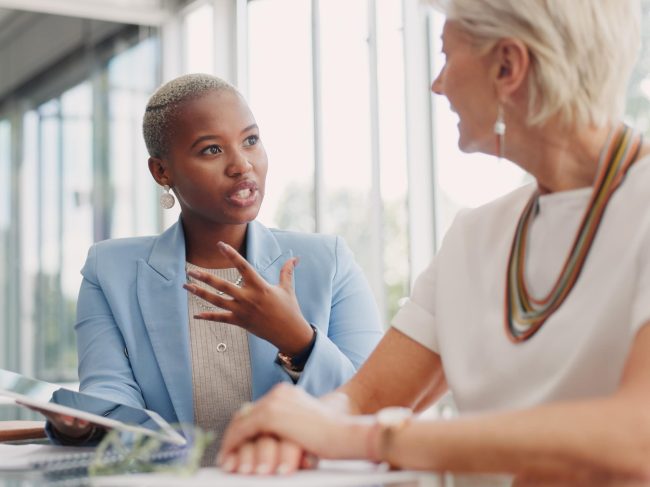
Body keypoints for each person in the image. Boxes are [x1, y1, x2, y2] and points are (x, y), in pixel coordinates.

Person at [215, 0, 650, 482]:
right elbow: (365, 399)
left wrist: (364, 438)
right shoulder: (476, 234)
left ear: (508, 66)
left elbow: (638, 434)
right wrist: (293, 426)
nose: (437, 84)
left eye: (446, 56)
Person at [44, 73, 383, 452]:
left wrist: (298, 341)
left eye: (251, 141)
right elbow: (111, 392)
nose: (242, 165)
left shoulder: (328, 262)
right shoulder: (109, 271)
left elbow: (374, 404)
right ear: (162, 172)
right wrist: (80, 425)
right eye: (211, 150)